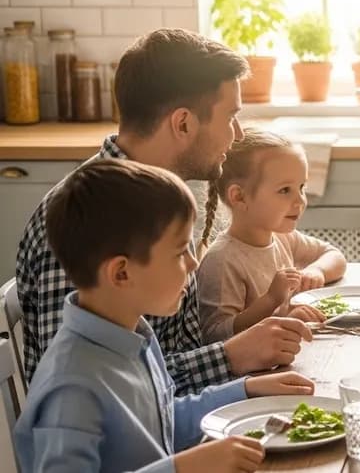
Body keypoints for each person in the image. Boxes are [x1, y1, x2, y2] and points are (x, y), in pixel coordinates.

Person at [16, 28, 313, 393]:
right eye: (230, 117)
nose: (237, 134)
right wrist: (230, 357)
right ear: (183, 123)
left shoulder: (160, 198)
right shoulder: (87, 218)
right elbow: (92, 387)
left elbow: (169, 358)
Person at [15, 159, 317, 473]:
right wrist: (181, 468)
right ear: (121, 273)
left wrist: (244, 390)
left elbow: (163, 421)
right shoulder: (71, 389)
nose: (193, 264)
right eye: (180, 252)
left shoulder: (132, 334)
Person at [198, 128, 347, 342]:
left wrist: (317, 271)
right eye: (285, 190)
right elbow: (215, 336)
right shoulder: (222, 261)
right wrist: (270, 300)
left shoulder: (283, 237)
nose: (300, 200)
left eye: (301, 187)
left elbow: (334, 255)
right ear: (239, 197)